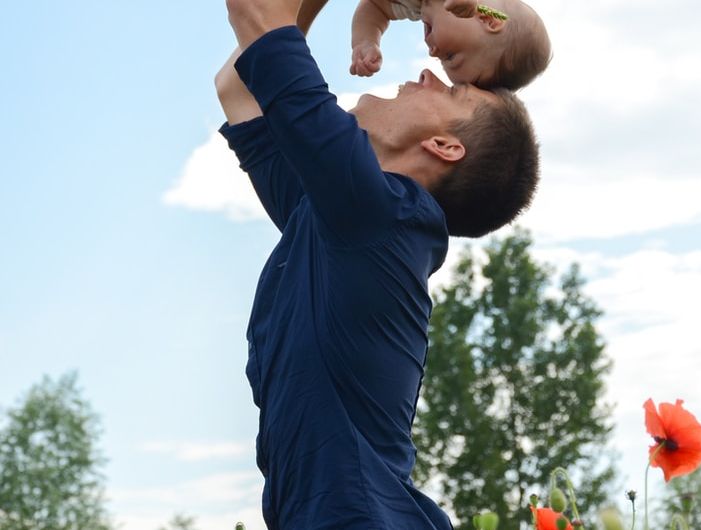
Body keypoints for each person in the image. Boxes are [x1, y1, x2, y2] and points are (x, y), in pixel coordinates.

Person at [217, 0, 539, 527]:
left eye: (452, 91)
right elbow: (240, 85)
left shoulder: (382, 216)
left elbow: (254, 11)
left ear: (443, 146)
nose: (429, 75)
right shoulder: (334, 216)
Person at [345, 0, 552, 90]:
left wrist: (366, 41)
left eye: (442, 60)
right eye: (451, 56)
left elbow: (374, 7)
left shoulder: (412, 6)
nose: (432, 51)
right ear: (488, 20)